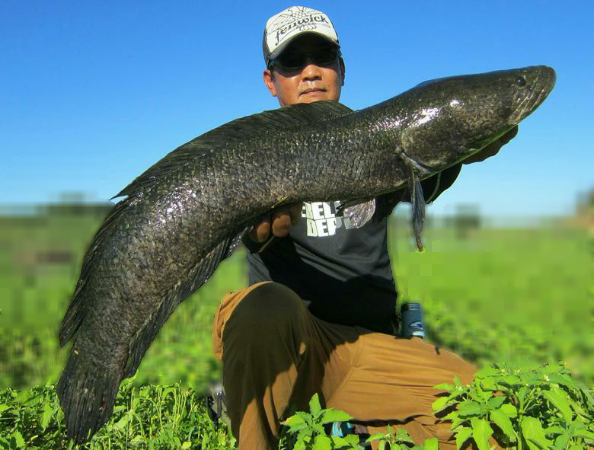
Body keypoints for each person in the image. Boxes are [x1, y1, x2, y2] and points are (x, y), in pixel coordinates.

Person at [212, 6, 516, 450]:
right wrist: (251, 227)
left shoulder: (385, 142)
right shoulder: (249, 153)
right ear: (270, 80)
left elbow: (440, 151)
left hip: (369, 347)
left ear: (342, 69)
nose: (311, 72)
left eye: (323, 57)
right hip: (291, 346)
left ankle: (356, 421)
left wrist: (472, 136)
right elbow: (229, 233)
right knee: (262, 307)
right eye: (292, 63)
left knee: (485, 413)